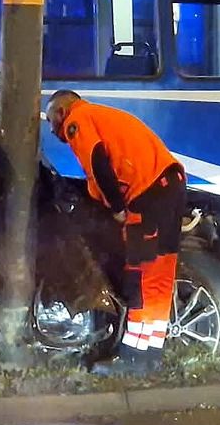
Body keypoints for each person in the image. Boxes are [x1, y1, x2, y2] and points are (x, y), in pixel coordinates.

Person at [46, 89, 186, 376]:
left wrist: (116, 207)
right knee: (158, 276)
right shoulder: (102, 115)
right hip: (169, 186)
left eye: (50, 121)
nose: (51, 129)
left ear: (61, 112)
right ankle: (149, 355)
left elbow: (97, 161)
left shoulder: (78, 120)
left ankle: (131, 359)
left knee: (139, 276)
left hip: (146, 196)